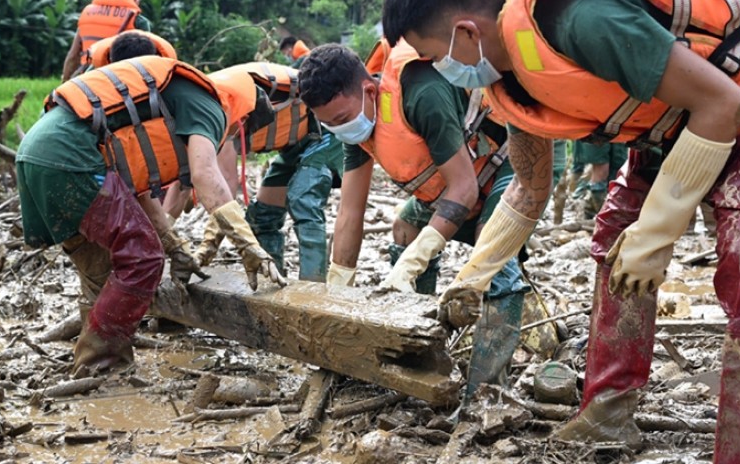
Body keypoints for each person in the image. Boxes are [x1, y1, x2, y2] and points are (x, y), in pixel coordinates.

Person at [380, 0, 740, 463]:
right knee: (616, 241)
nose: (440, 71)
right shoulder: (506, 78)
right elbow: (530, 190)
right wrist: (470, 278)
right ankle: (608, 415)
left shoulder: (583, 20)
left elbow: (725, 101)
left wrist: (659, 231)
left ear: (465, 31)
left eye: (436, 57)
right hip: (676, 118)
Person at [18, 35, 285, 378]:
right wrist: (251, 249)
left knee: (103, 267)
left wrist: (176, 247)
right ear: (242, 118)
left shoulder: (168, 100)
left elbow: (137, 190)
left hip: (37, 157)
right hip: (70, 158)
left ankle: (96, 369)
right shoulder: (210, 105)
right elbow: (206, 177)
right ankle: (101, 365)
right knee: (143, 257)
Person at [298, 39, 530, 402]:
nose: (340, 130)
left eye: (341, 120)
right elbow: (350, 212)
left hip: (508, 161)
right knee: (404, 228)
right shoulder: (355, 126)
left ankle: (487, 393)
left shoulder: (420, 92)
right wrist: (338, 290)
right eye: (329, 125)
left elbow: (465, 188)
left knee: (493, 257)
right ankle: (420, 344)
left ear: (369, 90)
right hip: (458, 179)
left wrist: (409, 265)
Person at [171, 61, 344, 282]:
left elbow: (226, 187)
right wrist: (165, 239)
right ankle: (273, 279)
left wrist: (207, 247)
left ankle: (313, 286)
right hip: (294, 145)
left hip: (324, 133)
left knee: (303, 199)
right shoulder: (186, 126)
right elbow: (181, 188)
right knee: (263, 217)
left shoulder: (211, 114)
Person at [62, 0, 152, 81]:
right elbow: (145, 61)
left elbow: (73, 56)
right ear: (137, 0)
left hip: (86, 79)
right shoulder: (138, 20)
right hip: (118, 82)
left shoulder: (88, 14)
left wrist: (64, 86)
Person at [570, 141, 628, 219]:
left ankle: (590, 211)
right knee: (601, 169)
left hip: (620, 133)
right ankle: (604, 218)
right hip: (596, 132)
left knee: (617, 167)